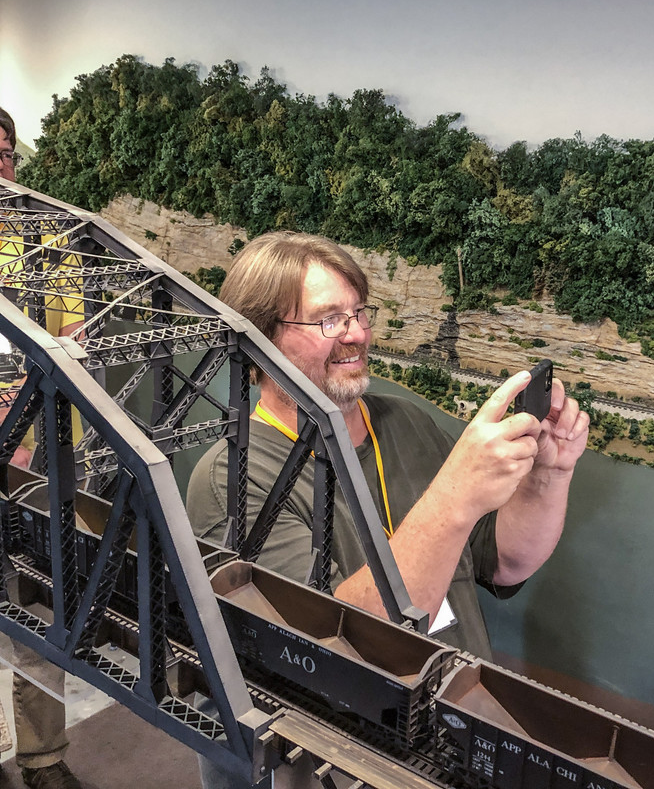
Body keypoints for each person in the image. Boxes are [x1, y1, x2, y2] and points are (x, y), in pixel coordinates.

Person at [187, 231, 589, 787]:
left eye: (359, 313)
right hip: (345, 765)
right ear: (260, 339)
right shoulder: (231, 475)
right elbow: (328, 648)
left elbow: (503, 562)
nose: (355, 334)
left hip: (450, 739)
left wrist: (549, 474)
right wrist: (455, 497)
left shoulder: (406, 420)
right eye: (329, 319)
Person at [1, 106, 83, 789]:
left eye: (4, 152)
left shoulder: (48, 239)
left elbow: (75, 347)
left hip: (33, 458)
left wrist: (27, 436)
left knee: (33, 605)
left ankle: (42, 757)